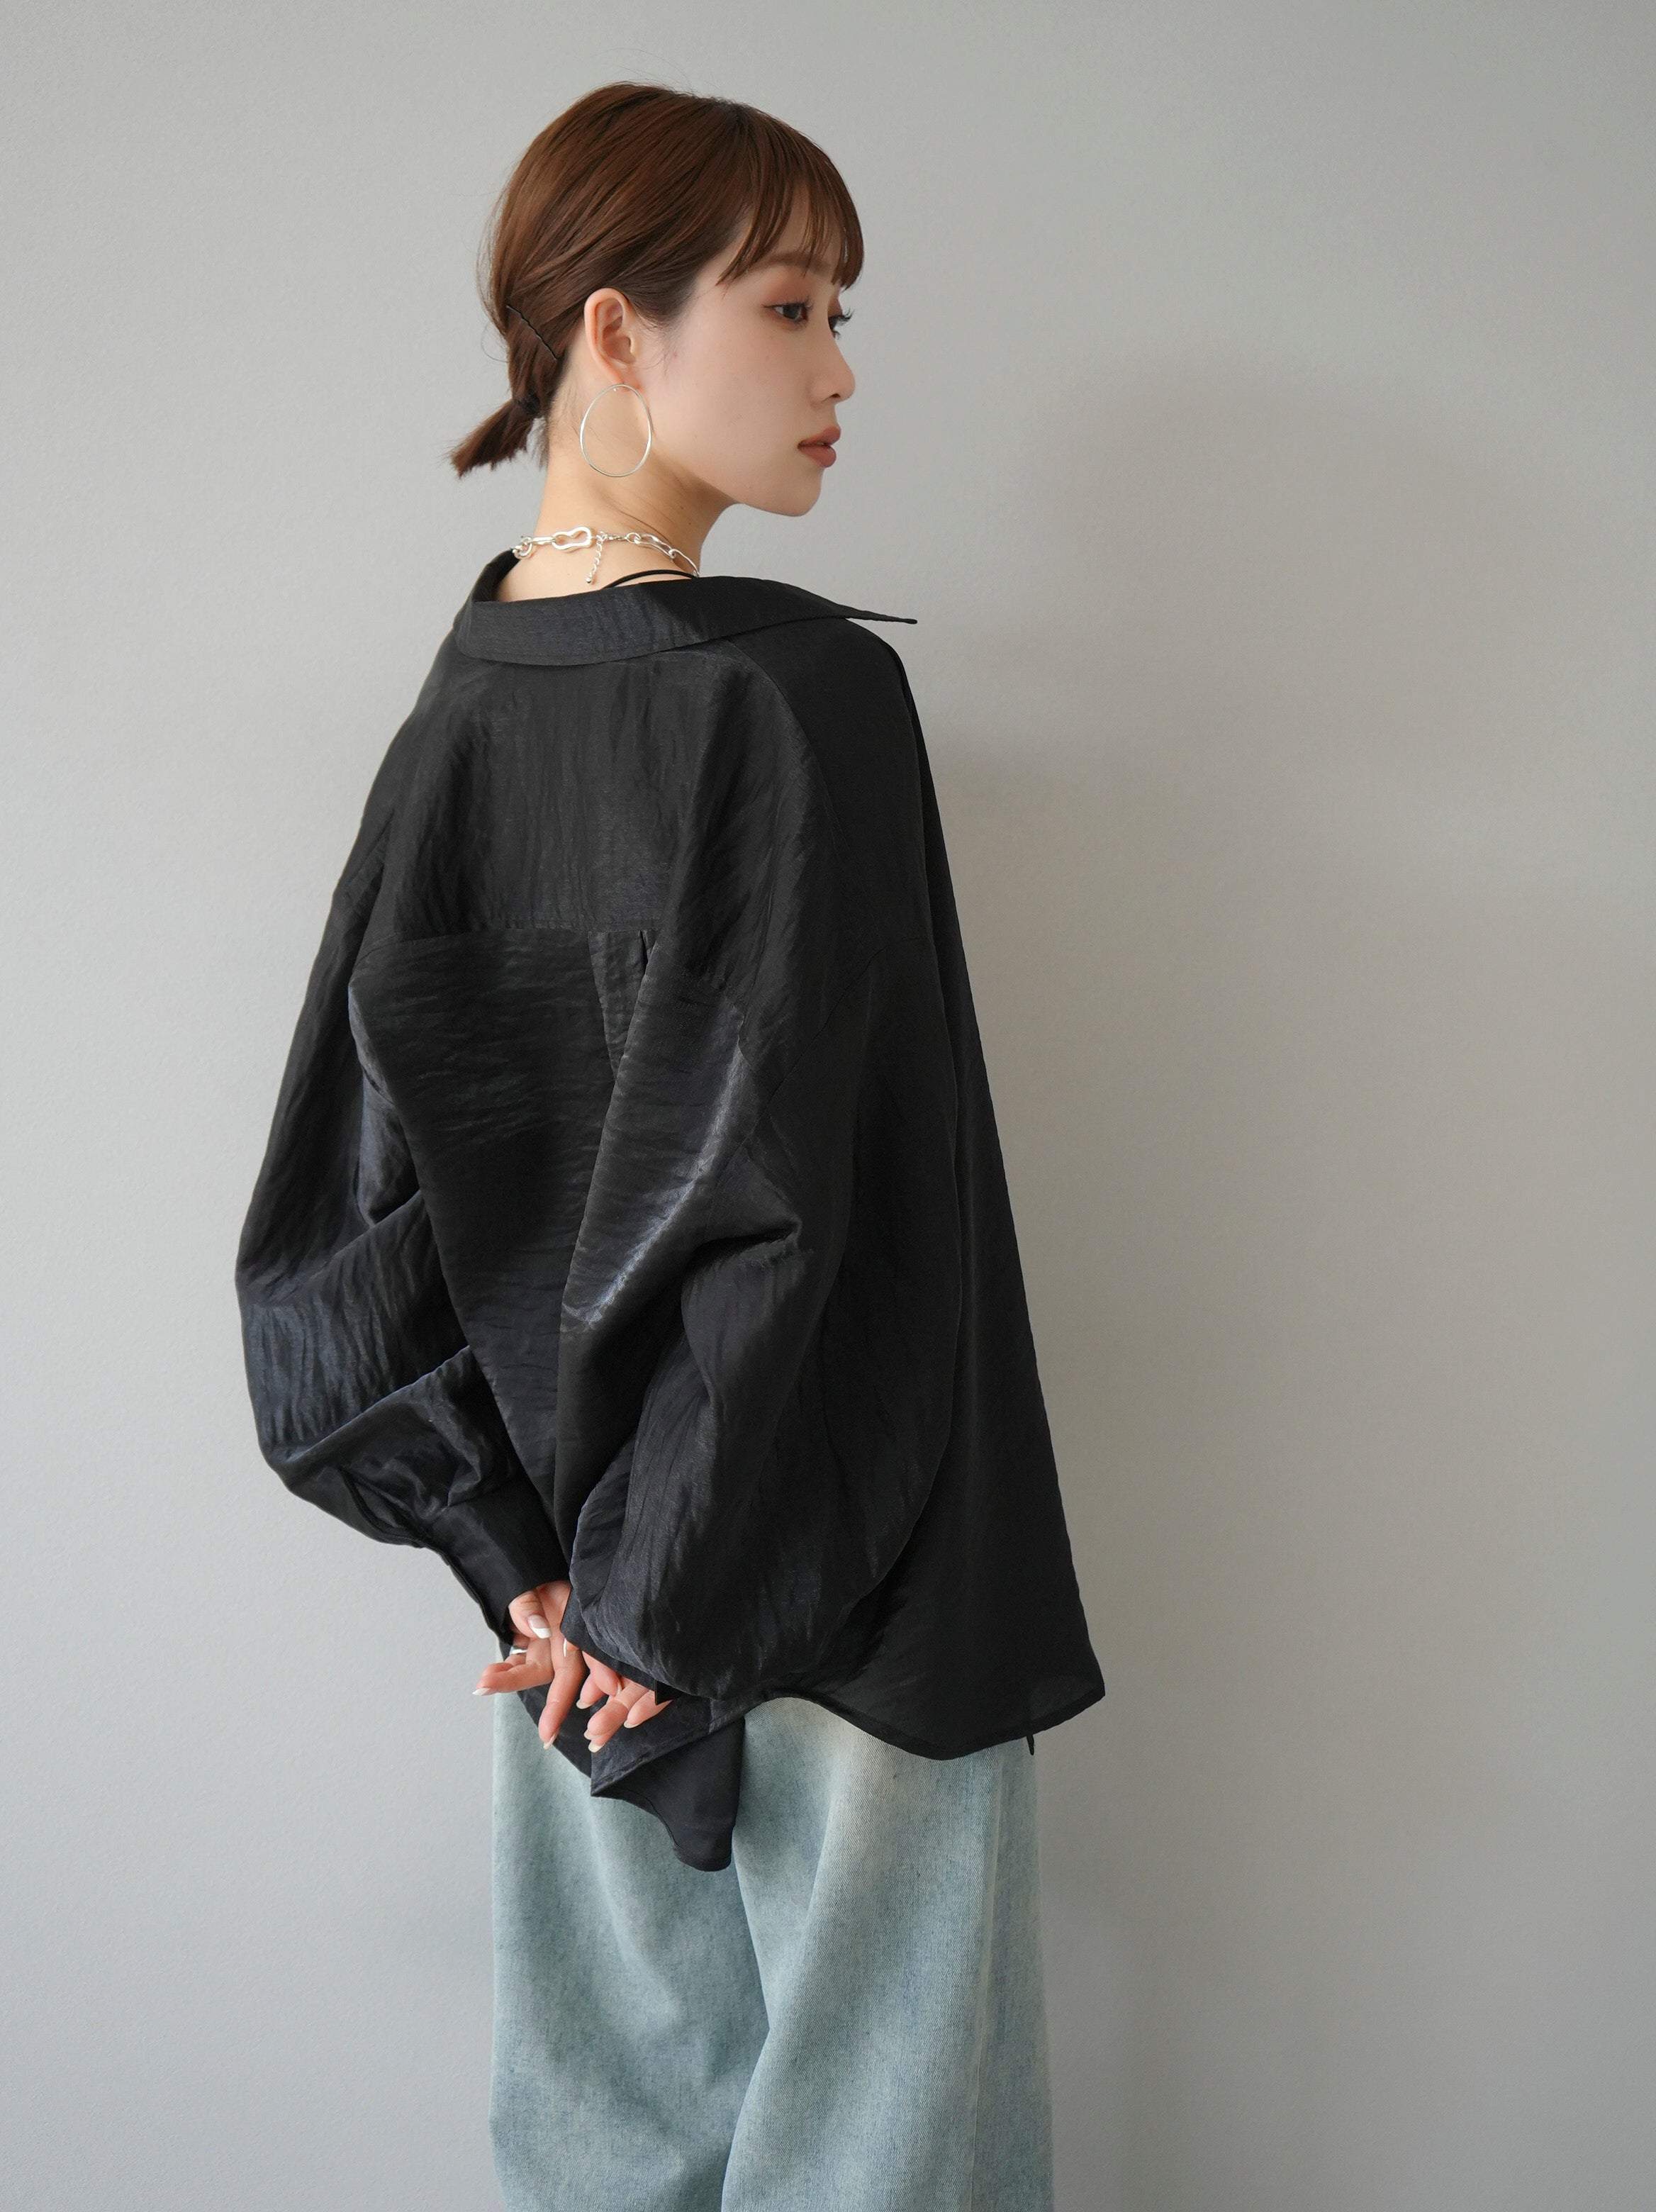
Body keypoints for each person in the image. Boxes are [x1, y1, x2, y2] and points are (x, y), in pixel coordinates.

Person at [235, 81, 1104, 2212]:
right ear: (614, 333)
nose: (841, 371)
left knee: (608, 2151)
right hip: (856, 1575)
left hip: (568, 1625)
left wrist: (533, 1570)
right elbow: (798, 1189)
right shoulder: (799, 698)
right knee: (887, 2168)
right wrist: (661, 1589)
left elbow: (337, 1240)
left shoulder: (452, 722)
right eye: (794, 307)